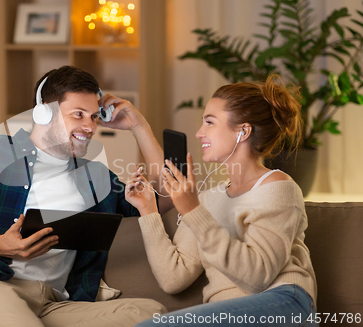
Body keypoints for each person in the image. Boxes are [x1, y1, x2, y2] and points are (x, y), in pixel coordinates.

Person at [0, 66, 169, 327]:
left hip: (51, 302)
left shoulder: (94, 177)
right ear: (44, 113)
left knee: (153, 315)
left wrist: (139, 126)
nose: (89, 127)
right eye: (78, 114)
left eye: (94, 117)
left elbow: (164, 199)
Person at [125, 74, 318, 326]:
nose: (199, 132)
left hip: (283, 304)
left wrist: (192, 210)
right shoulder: (206, 198)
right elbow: (174, 278)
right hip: (227, 314)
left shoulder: (277, 187)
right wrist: (148, 209)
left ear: (243, 131)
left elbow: (257, 276)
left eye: (209, 122)